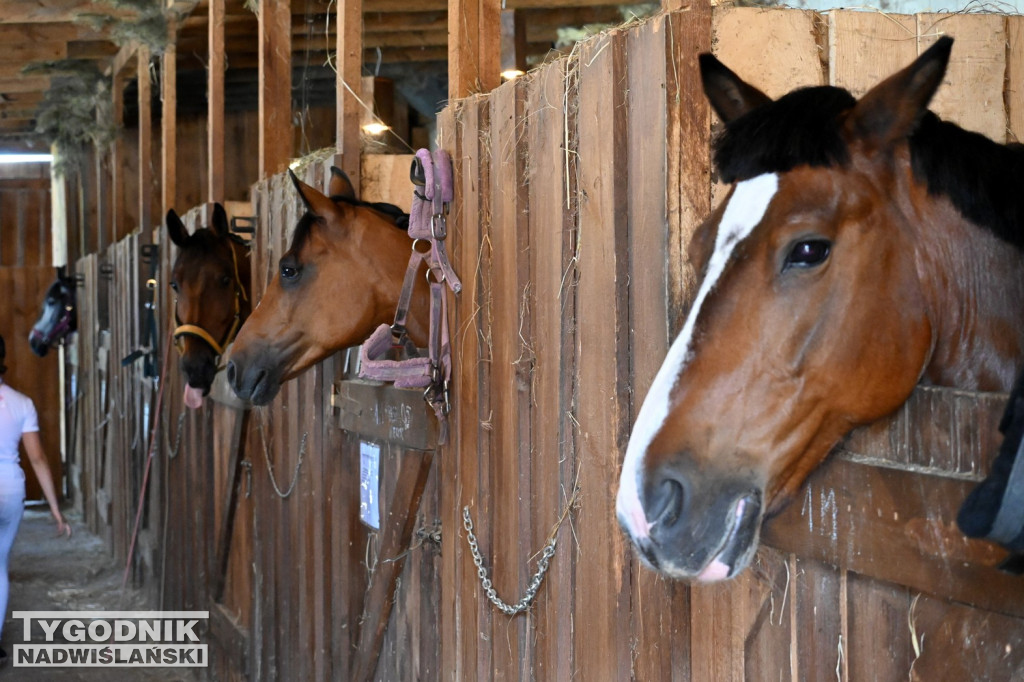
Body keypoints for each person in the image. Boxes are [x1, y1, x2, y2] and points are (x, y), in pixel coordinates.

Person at [0, 333, 70, 665]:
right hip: (11, 491)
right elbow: (39, 459)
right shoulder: (21, 403)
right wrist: (55, 510)